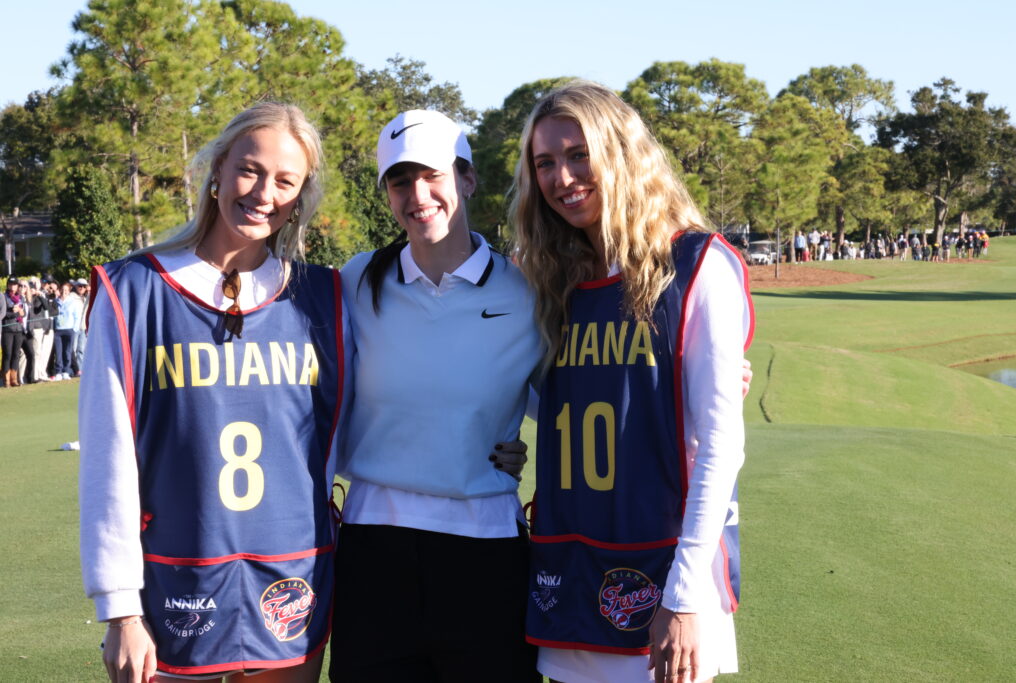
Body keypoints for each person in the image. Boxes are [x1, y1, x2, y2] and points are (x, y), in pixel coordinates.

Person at [79, 102, 349, 683]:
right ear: (218, 170)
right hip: (174, 584)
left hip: (293, 577)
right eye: (250, 170)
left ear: (300, 197)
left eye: (285, 181)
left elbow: (367, 425)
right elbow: (108, 459)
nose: (263, 193)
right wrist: (120, 608)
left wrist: (491, 447)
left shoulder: (323, 297)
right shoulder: (132, 291)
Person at [510, 81, 754, 683]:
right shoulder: (550, 278)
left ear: (621, 152)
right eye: (545, 163)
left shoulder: (698, 264)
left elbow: (722, 446)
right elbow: (570, 404)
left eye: (578, 155)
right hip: (569, 561)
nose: (562, 178)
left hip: (666, 575)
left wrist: (685, 595)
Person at [329, 109, 543, 683]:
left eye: (433, 176)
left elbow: (576, 398)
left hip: (486, 550)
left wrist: (689, 371)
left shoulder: (526, 291)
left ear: (467, 180)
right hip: (374, 548)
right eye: (400, 181)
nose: (417, 195)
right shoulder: (354, 281)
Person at [53, 281, 81, 381]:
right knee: (58, 352)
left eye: (66, 290)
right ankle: (58, 372)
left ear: (69, 291)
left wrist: (74, 329)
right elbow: (53, 316)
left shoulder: (73, 302)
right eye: (62, 290)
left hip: (69, 330)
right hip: (58, 330)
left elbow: (77, 317)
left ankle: (66, 371)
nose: (64, 292)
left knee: (68, 351)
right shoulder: (56, 302)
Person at [2, 277, 27, 387]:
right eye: (11, 284)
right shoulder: (3, 296)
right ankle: (6, 380)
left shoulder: (21, 297)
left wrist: (21, 312)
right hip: (7, 329)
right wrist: (14, 312)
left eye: (15, 284)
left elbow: (24, 313)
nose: (13, 286)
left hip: (18, 329)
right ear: (8, 285)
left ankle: (14, 379)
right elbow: (3, 314)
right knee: (8, 354)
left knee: (16, 354)